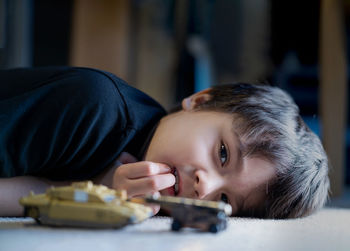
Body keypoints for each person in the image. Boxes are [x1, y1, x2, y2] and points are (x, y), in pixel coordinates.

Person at [0, 66, 329, 218]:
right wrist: (86, 192)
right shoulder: (94, 108)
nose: (204, 188)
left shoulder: (145, 205)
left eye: (225, 198)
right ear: (200, 101)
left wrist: (97, 194)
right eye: (223, 153)